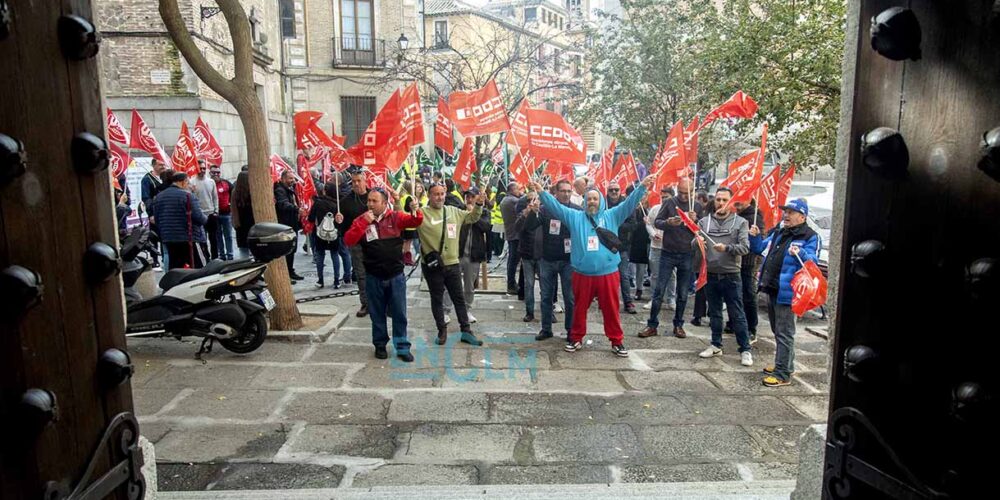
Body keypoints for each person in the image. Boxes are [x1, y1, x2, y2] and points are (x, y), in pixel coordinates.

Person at [529, 175, 653, 357]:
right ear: (584, 201)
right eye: (589, 199)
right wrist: (541, 192)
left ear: (601, 201)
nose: (592, 202)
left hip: (608, 274)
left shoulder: (612, 215)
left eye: (595, 199)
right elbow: (556, 207)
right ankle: (576, 338)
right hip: (582, 274)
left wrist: (642, 186)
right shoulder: (574, 217)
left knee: (611, 309)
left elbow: (629, 204)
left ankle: (616, 341)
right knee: (579, 308)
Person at [343, 188, 423, 362]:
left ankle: (402, 347)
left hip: (395, 276)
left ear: (385, 203)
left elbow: (416, 220)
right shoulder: (362, 220)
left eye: (374, 201)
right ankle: (380, 345)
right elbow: (348, 240)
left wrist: (415, 208)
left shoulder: (395, 217)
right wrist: (363, 223)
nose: (370, 204)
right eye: (369, 200)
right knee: (376, 313)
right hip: (373, 276)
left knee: (399, 313)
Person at [752, 198, 819, 387]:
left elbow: (812, 262)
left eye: (790, 212)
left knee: (785, 332)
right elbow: (759, 248)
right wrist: (755, 236)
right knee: (777, 330)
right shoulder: (780, 232)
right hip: (773, 287)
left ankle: (783, 374)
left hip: (789, 292)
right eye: (785, 211)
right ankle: (785, 365)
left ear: (802, 216)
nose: (786, 215)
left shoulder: (809, 236)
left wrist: (801, 253)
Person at [416, 183, 487, 346]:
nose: (439, 197)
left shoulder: (453, 211)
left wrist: (479, 204)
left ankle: (466, 331)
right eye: (435, 194)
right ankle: (442, 330)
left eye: (442, 193)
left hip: (453, 263)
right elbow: (409, 219)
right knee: (437, 299)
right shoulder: (422, 213)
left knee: (459, 298)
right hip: (433, 266)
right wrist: (410, 205)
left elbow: (472, 218)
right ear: (429, 195)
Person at [694, 187, 753, 366]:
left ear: (730, 202)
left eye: (724, 200)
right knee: (715, 313)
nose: (721, 203)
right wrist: (697, 242)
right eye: (718, 199)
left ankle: (745, 349)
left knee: (737, 314)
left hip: (731, 274)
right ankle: (715, 344)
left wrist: (727, 248)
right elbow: (694, 243)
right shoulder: (704, 222)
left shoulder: (740, 222)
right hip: (710, 274)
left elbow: (745, 248)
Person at [639, 178, 702, 339]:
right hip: (668, 252)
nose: (682, 196)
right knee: (659, 290)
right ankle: (652, 324)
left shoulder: (697, 206)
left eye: (685, 193)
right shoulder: (669, 203)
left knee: (682, 293)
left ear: (692, 191)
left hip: (687, 253)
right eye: (680, 192)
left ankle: (679, 325)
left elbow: (703, 230)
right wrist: (668, 222)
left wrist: (695, 221)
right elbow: (657, 222)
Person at [524, 180, 578, 341]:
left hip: (569, 261)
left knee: (569, 298)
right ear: (556, 193)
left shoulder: (577, 210)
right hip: (547, 259)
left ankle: (571, 330)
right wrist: (532, 213)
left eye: (569, 191)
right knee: (546, 296)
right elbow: (529, 227)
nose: (566, 194)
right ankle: (546, 329)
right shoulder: (545, 210)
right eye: (563, 191)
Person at [152, 171, 208, 269]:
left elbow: (157, 219)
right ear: (183, 182)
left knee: (175, 268)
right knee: (196, 267)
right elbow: (199, 218)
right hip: (188, 239)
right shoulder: (187, 196)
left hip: (168, 238)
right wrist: (206, 217)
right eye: (188, 183)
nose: (189, 185)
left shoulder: (159, 197)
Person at [729, 199, 766, 343]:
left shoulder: (755, 217)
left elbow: (760, 239)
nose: (737, 203)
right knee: (734, 294)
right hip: (735, 260)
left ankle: (751, 328)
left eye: (741, 200)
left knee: (748, 294)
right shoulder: (737, 215)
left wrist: (754, 235)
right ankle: (734, 323)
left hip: (748, 262)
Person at [337, 170, 371, 316]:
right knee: (361, 274)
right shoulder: (345, 201)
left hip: (374, 241)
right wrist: (338, 221)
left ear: (365, 180)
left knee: (378, 272)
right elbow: (342, 227)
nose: (356, 184)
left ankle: (381, 301)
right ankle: (365, 303)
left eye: (359, 180)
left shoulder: (374, 196)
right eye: (354, 181)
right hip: (356, 243)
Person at [458, 187, 491, 321]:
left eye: (472, 197)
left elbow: (486, 227)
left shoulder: (484, 212)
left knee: (469, 286)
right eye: (468, 197)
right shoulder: (459, 211)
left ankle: (467, 310)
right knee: (450, 284)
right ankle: (446, 311)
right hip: (458, 253)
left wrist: (474, 214)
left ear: (479, 197)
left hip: (474, 255)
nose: (470, 199)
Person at [607, 184, 638, 314]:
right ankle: (607, 301)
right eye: (611, 190)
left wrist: (616, 224)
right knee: (606, 276)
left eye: (616, 189)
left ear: (620, 191)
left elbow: (633, 224)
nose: (614, 192)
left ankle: (628, 302)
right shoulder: (602, 203)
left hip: (622, 245)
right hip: (605, 245)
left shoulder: (627, 204)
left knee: (624, 275)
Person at [513, 191, 544, 322]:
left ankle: (547, 311)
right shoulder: (523, 214)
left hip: (542, 255)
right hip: (527, 254)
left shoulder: (543, 214)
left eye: (535, 199)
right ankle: (529, 312)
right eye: (530, 200)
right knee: (529, 285)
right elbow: (517, 228)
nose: (532, 202)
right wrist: (525, 214)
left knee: (545, 286)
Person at [644, 186, 676, 310]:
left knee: (672, 275)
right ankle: (654, 298)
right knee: (655, 275)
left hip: (671, 248)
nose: (664, 200)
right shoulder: (655, 209)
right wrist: (653, 233)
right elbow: (649, 224)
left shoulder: (677, 211)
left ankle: (671, 299)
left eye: (666, 197)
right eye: (662, 197)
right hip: (656, 246)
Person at [308, 183, 345, 288]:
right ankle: (336, 280)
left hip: (320, 233)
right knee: (335, 255)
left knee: (320, 255)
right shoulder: (337, 205)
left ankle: (320, 280)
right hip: (334, 233)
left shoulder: (318, 203)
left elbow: (310, 218)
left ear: (325, 191)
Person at [274, 170, 304, 282]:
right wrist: (297, 209)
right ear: (283, 179)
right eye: (290, 178)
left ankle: (290, 271)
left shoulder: (290, 189)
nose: (293, 181)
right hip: (285, 224)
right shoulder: (280, 190)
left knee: (292, 249)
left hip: (292, 224)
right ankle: (287, 274)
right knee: (287, 250)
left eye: (293, 178)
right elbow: (283, 204)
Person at [190, 161, 219, 260]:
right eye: (200, 168)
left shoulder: (211, 181)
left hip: (211, 214)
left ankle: (215, 257)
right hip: (199, 215)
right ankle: (206, 257)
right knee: (202, 239)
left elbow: (215, 197)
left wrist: (216, 211)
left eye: (203, 168)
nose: (202, 170)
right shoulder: (191, 182)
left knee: (213, 238)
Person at [691, 190, 713, 325]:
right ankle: (704, 315)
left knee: (704, 288)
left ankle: (700, 316)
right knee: (704, 288)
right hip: (704, 259)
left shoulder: (703, 221)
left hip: (711, 261)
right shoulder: (704, 222)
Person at [499, 182, 524, 296]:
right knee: (514, 261)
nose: (519, 191)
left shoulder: (505, 200)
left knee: (512, 261)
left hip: (510, 233)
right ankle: (511, 285)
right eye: (518, 189)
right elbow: (524, 203)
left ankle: (511, 283)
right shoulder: (513, 201)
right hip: (515, 235)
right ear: (512, 190)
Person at [141, 158, 167, 269]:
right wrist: (151, 213)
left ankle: (164, 259)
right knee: (154, 237)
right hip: (154, 214)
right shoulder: (147, 179)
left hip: (165, 213)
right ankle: (155, 261)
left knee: (164, 237)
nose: (163, 167)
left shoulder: (165, 178)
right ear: (153, 165)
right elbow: (146, 198)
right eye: (160, 164)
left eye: (164, 164)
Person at [630, 193, 652, 301]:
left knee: (646, 268)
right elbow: (632, 226)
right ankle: (638, 288)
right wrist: (642, 223)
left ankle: (643, 288)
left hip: (648, 241)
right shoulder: (635, 211)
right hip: (637, 241)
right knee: (638, 266)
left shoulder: (650, 210)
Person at [211, 166, 235, 260]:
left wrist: (230, 204)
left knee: (228, 235)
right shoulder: (209, 183)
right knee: (218, 236)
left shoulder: (226, 183)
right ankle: (222, 254)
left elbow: (234, 192)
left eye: (218, 172)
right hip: (215, 214)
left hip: (226, 213)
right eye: (213, 172)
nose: (216, 174)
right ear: (210, 173)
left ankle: (230, 254)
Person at [231, 168, 254, 260]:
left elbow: (233, 209)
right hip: (252, 224)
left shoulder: (235, 193)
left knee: (243, 251)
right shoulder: (252, 193)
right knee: (254, 249)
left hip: (240, 224)